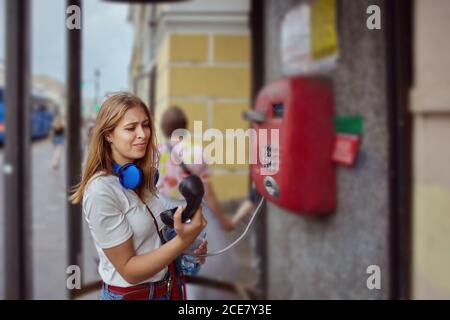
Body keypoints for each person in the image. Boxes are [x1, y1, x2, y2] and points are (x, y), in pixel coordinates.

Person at [70, 92, 207, 300]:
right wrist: (182, 241)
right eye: (131, 128)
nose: (143, 134)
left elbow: (155, 241)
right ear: (108, 135)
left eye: (145, 125)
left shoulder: (140, 177)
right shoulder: (101, 191)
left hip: (167, 290)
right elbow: (129, 270)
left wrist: (189, 248)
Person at [157, 106, 235, 232]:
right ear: (184, 126)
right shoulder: (197, 152)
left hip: (165, 211)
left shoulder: (158, 152)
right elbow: (207, 193)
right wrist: (223, 221)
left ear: (164, 128)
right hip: (192, 212)